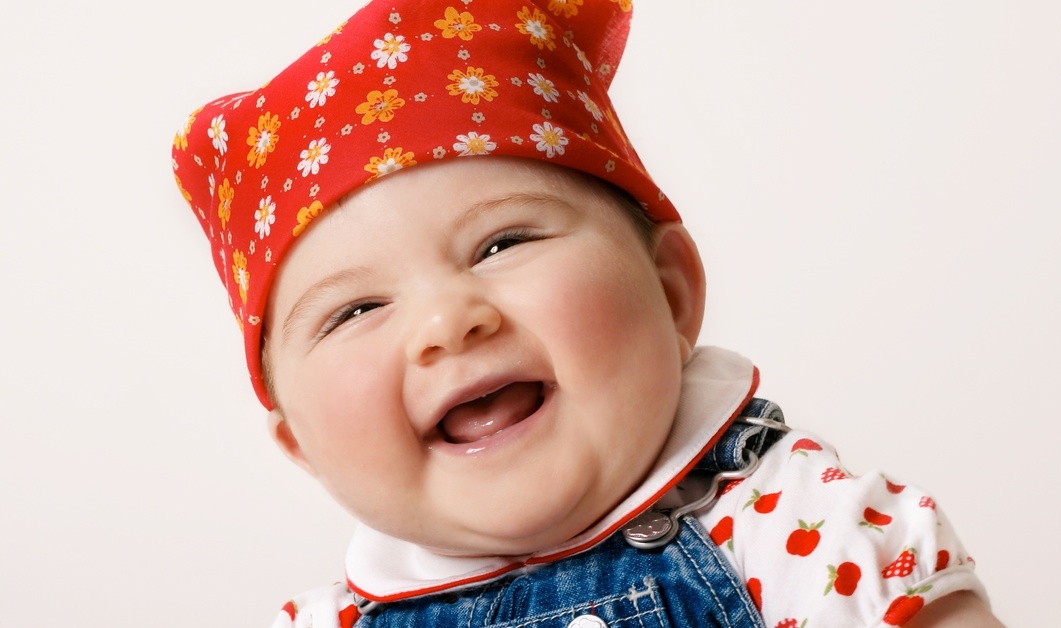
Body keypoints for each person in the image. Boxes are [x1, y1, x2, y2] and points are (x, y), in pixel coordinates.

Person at [170, 0, 1001, 625]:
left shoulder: (806, 532)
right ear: (300, 444)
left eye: (501, 245)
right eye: (354, 310)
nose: (445, 323)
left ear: (671, 291)